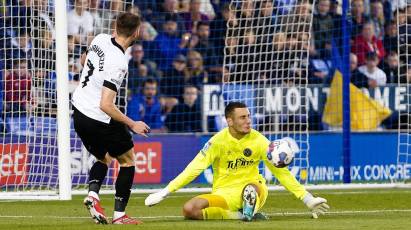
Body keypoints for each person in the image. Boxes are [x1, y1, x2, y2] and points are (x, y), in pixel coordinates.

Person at [145, 102, 329, 221]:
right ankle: (239, 216)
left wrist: (307, 198)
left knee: (251, 188)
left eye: (249, 116)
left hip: (254, 188)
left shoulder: (259, 141)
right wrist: (166, 191)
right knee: (190, 210)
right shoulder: (217, 142)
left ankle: (250, 207)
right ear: (229, 121)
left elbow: (281, 172)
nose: (248, 121)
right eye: (243, 117)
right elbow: (194, 168)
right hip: (224, 194)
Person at [71, 12, 149, 225]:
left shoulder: (100, 38)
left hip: (78, 110)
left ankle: (93, 195)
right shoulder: (119, 62)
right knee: (128, 160)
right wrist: (133, 124)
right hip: (98, 116)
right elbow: (105, 104)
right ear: (137, 32)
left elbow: (84, 59)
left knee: (104, 156)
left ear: (115, 26)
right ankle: (119, 216)